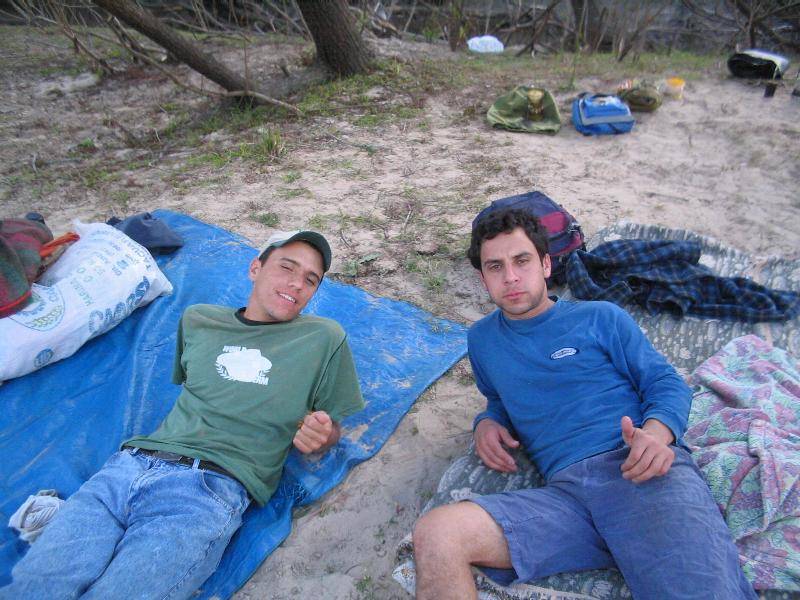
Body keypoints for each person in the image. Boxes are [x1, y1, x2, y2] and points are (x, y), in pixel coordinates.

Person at [412, 208, 756, 600]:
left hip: (635, 471)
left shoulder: (600, 317)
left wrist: (656, 435)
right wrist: (488, 421)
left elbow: (664, 381)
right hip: (565, 499)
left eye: (522, 261)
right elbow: (499, 398)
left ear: (545, 265)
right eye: (495, 267)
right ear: (483, 278)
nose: (510, 277)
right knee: (438, 532)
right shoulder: (482, 340)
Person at [1, 230, 364, 600]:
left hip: (206, 490)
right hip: (125, 469)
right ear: (255, 268)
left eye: (310, 279)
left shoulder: (323, 338)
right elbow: (197, 389)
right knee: (34, 588)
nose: (297, 283)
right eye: (287, 267)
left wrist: (324, 435)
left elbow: (332, 426)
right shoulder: (199, 320)